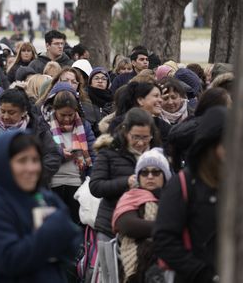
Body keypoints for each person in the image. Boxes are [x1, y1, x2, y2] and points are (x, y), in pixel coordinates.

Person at [0, 131, 80, 283]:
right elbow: (10, 260)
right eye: (22, 161)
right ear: (2, 164)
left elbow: (72, 246)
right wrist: (52, 229)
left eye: (35, 160)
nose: (31, 168)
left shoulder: (45, 198)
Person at [154, 107, 226, 283]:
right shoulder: (182, 184)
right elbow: (164, 239)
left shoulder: (241, 183)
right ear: (210, 145)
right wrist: (204, 274)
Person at [0, 87, 62, 186]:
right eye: (2, 111)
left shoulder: (39, 130)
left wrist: (34, 177)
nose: (5, 116)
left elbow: (53, 156)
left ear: (24, 111)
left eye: (11, 113)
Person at [90, 108, 161, 241]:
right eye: (135, 137)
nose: (140, 143)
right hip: (110, 226)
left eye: (145, 137)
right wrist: (126, 182)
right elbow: (96, 186)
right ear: (126, 132)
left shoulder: (158, 156)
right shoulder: (109, 152)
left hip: (148, 225)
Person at [112, 148, 171, 283]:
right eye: (144, 173)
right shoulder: (131, 196)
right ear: (138, 177)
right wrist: (169, 227)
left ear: (165, 176)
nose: (150, 176)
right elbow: (127, 225)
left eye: (156, 172)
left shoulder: (174, 198)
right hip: (141, 259)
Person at [41, 84, 96, 224]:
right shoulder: (44, 126)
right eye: (62, 115)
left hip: (78, 184)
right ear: (54, 110)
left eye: (70, 115)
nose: (67, 119)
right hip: (52, 184)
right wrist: (59, 153)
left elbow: (93, 153)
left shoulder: (84, 126)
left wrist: (91, 178)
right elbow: (41, 151)